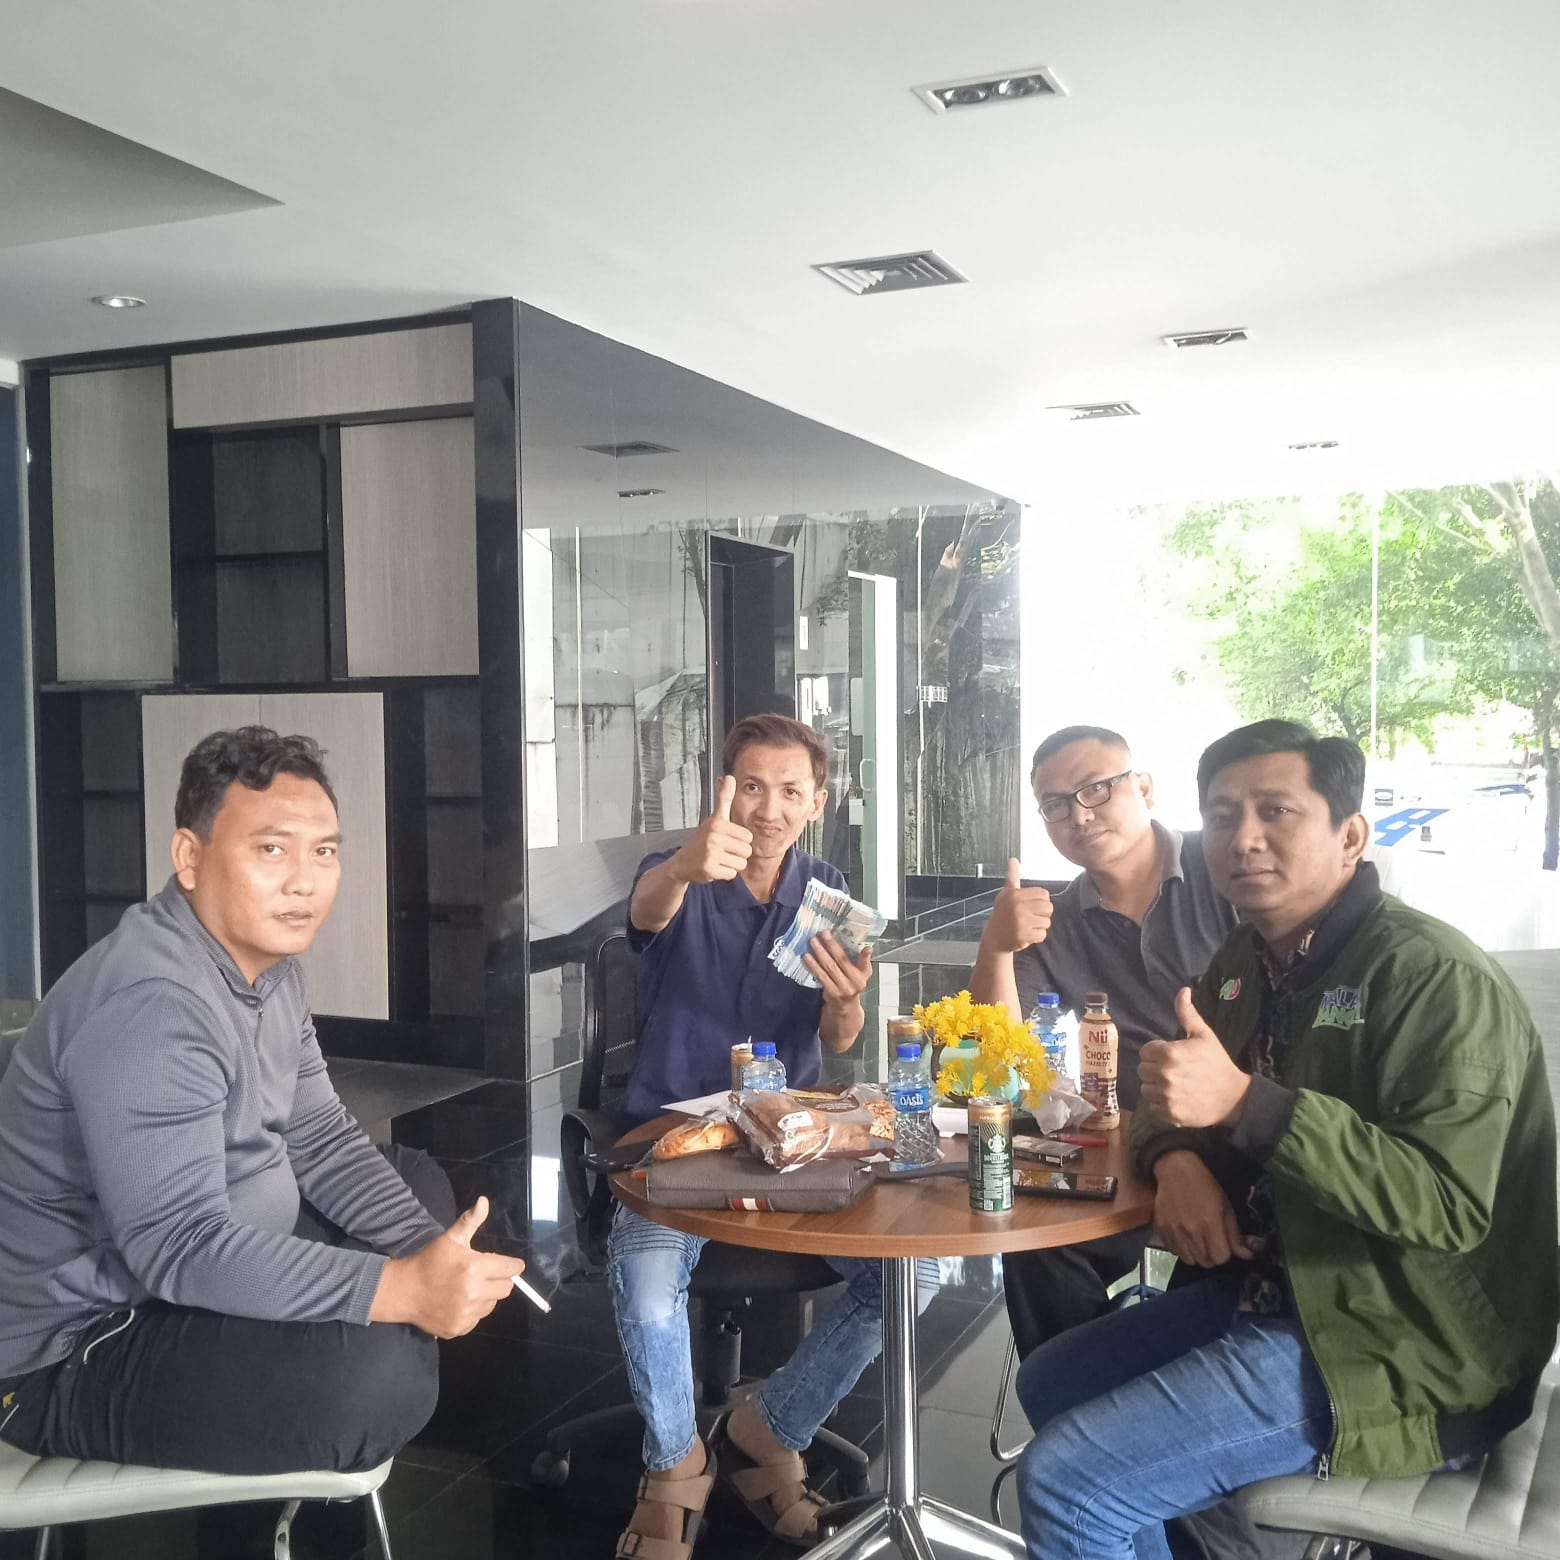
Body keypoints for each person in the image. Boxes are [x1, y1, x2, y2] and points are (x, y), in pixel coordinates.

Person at [1014, 719, 1559, 1560]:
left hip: (1401, 1336)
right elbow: (1166, 1086)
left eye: (1276, 811)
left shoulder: (1430, 977)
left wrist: (1249, 1106)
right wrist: (1178, 1157)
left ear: (1350, 835)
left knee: (1067, 1482)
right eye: (1222, 816)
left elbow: (1449, 1206)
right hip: (1280, 1291)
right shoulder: (1246, 962)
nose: (1244, 838)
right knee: (1053, 1380)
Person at [0, 727, 524, 1475]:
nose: (304, 882)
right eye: (272, 850)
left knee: (415, 1183)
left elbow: (320, 1137)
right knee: (374, 1386)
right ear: (190, 858)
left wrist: (428, 1253)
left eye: (324, 851)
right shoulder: (152, 1004)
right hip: (80, 1342)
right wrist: (400, 1291)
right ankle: (386, 1328)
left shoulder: (267, 968)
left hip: (212, 1243)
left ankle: (391, 1306)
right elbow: (179, 1245)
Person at [609, 713, 938, 1557]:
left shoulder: (826, 893)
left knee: (919, 1272)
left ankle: (771, 1426)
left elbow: (838, 1039)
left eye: (790, 791)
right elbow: (647, 913)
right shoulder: (681, 869)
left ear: (817, 802)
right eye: (751, 786)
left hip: (792, 1145)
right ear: (723, 790)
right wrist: (683, 868)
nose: (768, 808)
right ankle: (674, 1465)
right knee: (646, 1286)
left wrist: (846, 1002)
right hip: (677, 1142)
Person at [970, 725, 1237, 1359]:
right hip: (1134, 1144)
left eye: (1096, 789)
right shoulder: (1056, 922)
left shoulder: (1225, 869)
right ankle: (1074, 1402)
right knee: (1038, 1240)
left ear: (1144, 787)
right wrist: (997, 947)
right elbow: (992, 1063)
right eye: (1056, 805)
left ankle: (1164, 1396)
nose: (1079, 815)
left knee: (1223, 1285)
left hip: (1245, 1131)